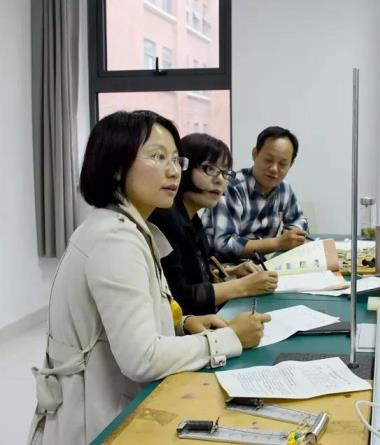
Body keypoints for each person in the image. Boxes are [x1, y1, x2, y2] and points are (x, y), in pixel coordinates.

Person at [28, 111, 271, 445]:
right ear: (116, 167)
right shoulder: (115, 240)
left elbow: (128, 318)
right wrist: (230, 339)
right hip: (96, 426)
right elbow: (141, 358)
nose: (173, 170)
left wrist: (183, 323)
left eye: (175, 159)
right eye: (157, 157)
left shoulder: (126, 227)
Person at [149, 133, 279, 315]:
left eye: (225, 173)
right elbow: (178, 297)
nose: (220, 180)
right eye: (210, 169)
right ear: (183, 168)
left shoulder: (192, 218)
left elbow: (195, 275)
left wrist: (232, 272)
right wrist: (243, 286)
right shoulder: (165, 219)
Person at [201, 126, 308, 260]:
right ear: (255, 154)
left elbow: (299, 219)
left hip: (260, 264)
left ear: (291, 164)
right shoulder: (231, 187)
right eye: (268, 160)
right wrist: (278, 243)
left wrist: (292, 232)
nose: (274, 169)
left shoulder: (284, 189)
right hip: (223, 266)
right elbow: (224, 245)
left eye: (282, 164)